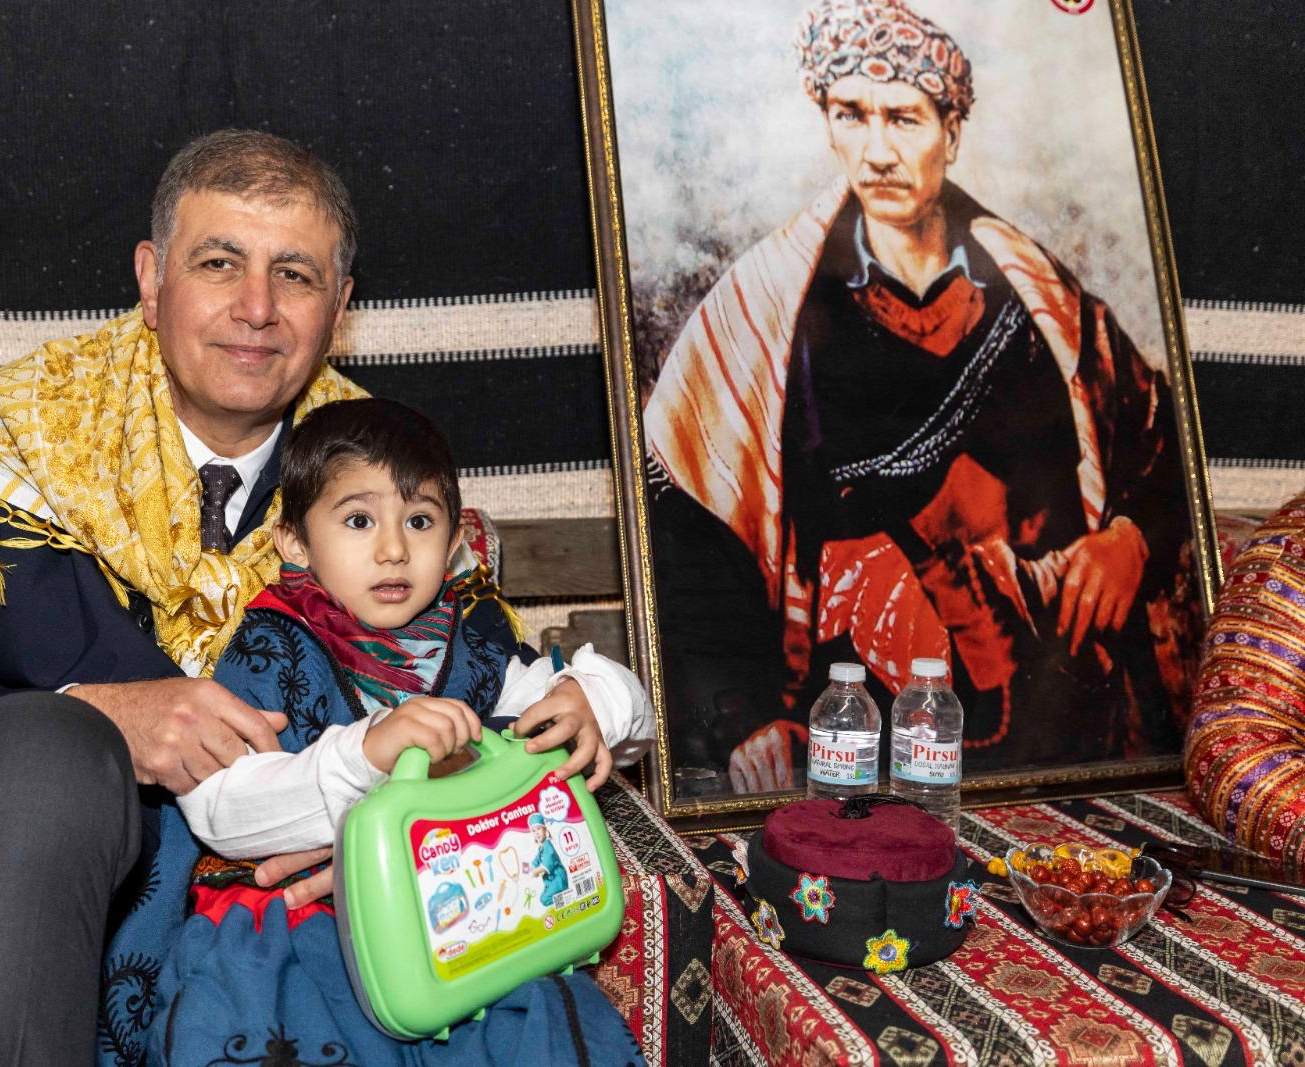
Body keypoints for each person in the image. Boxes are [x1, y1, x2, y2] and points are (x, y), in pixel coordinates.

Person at [0, 130, 616, 1067]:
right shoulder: (11, 441)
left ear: (339, 309)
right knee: (49, 746)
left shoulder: (379, 489)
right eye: (220, 262)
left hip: (277, 969)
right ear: (151, 277)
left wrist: (388, 838)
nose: (257, 307)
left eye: (295, 275)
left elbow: (506, 734)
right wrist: (96, 716)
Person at [643, 0, 1197, 795]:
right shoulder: (769, 314)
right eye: (851, 115)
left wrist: (1132, 537)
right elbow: (692, 531)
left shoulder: (1033, 293)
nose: (877, 152)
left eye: (903, 118)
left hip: (1068, 725)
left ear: (952, 131)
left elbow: (1158, 437)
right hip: (858, 739)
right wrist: (744, 716)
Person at [106, 397, 651, 1064]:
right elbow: (218, 809)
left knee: (542, 1028)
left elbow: (624, 728)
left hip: (474, 921)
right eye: (359, 520)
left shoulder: (474, 649)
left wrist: (592, 698)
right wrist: (361, 754)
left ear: (453, 543)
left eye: (419, 520)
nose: (393, 549)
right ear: (295, 542)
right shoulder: (271, 651)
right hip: (307, 928)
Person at [528, 813, 570, 907]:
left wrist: (536, 871)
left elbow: (548, 862)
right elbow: (536, 860)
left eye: (539, 829)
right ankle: (564, 899)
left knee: (544, 899)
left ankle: (568, 897)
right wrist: (528, 869)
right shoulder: (541, 848)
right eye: (534, 831)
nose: (536, 832)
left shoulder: (548, 846)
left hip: (558, 879)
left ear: (545, 830)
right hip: (550, 881)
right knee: (543, 897)